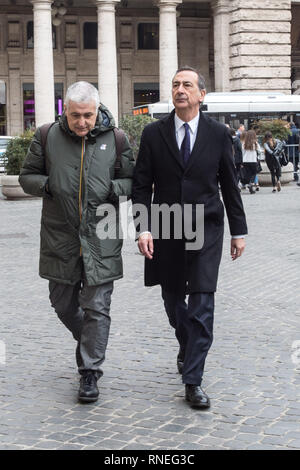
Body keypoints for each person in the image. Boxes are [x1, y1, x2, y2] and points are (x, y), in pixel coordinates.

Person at [132, 66, 247, 409]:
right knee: (172, 303)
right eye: (176, 84)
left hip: (207, 229)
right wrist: (143, 227)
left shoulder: (218, 134)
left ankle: (193, 380)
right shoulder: (154, 134)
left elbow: (229, 184)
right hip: (166, 229)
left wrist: (239, 231)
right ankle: (186, 344)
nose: (180, 89)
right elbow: (140, 186)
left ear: (201, 95)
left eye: (187, 85)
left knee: (201, 303)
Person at [19, 81, 134, 403]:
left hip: (102, 236)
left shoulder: (117, 138)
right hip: (60, 235)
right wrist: (49, 185)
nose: (82, 122)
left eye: (87, 115)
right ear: (64, 112)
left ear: (97, 110)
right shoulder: (46, 136)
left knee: (97, 308)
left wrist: (116, 189)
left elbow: (133, 178)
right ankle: (90, 342)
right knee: (62, 304)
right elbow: (26, 177)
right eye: (75, 116)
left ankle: (89, 373)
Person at [241, 130, 262, 194]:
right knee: (254, 173)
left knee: (248, 173)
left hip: (245, 160)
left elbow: (242, 152)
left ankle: (248, 183)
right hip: (253, 160)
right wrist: (259, 158)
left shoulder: (244, 143)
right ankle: (251, 183)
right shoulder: (255, 143)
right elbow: (259, 151)